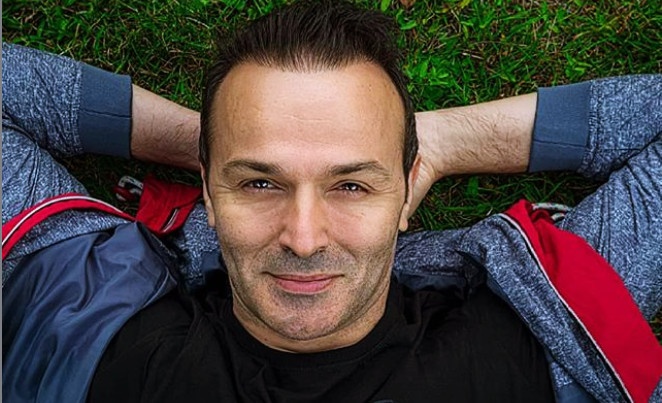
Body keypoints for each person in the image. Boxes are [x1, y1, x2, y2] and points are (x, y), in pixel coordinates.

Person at [2, 1, 660, 402]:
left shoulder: (544, 329)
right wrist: (224, 139)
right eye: (259, 183)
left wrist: (443, 142)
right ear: (209, 190)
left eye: (352, 184)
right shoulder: (74, 304)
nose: (305, 237)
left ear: (405, 192)